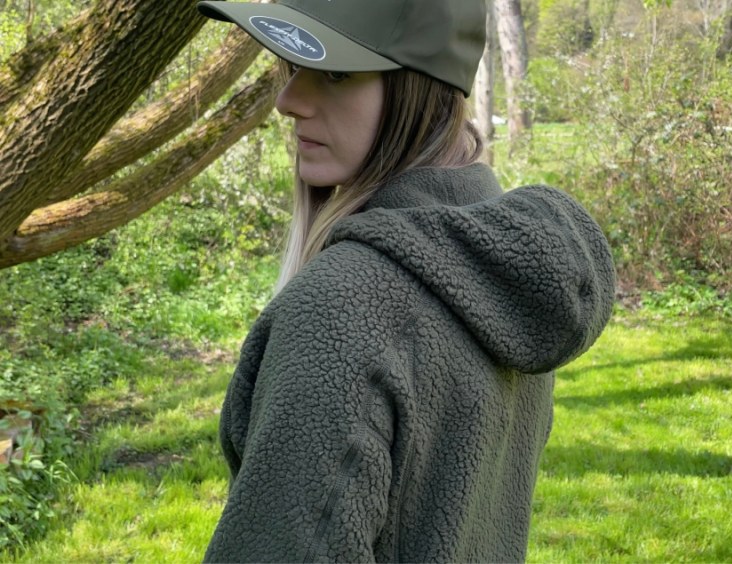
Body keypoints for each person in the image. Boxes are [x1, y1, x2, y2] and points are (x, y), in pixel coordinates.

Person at [197, 0, 615, 562]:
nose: (287, 100)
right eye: (293, 67)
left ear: (415, 92)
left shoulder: (344, 306)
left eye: (335, 73)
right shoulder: (503, 278)